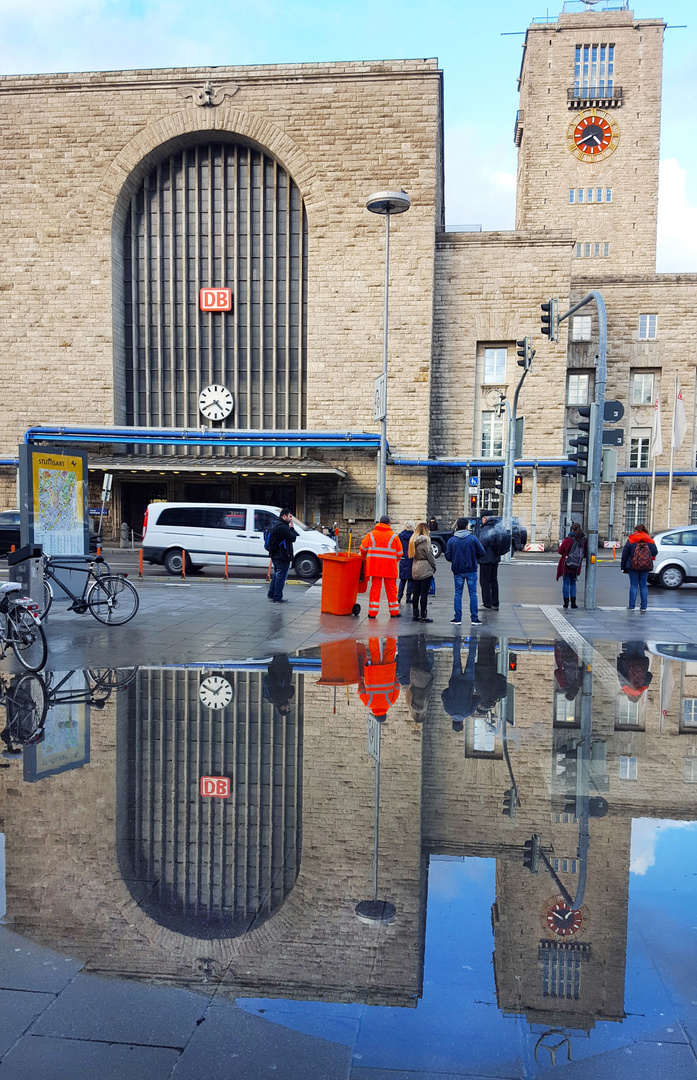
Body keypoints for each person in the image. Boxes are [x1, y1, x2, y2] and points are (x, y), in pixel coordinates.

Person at [360, 515, 402, 619]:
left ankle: (372, 613)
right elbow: (400, 553)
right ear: (388, 524)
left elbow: (363, 548)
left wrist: (367, 557)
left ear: (379, 522)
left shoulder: (371, 535)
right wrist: (392, 560)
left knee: (375, 589)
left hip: (375, 567)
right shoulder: (394, 536)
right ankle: (394, 612)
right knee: (392, 589)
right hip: (390, 568)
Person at [445, 517, 485, 625]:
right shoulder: (473, 539)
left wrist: (455, 560)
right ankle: (474, 618)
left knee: (458, 594)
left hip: (457, 570)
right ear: (467, 527)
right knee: (473, 594)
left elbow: (448, 556)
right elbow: (482, 552)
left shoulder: (452, 540)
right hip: (471, 568)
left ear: (457, 527)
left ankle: (457, 618)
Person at [357, 637, 400, 721]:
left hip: (387, 672)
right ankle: (373, 633)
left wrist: (392, 676)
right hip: (374, 673)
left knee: (390, 652)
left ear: (385, 714)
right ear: (375, 714)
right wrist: (362, 681)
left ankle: (392, 632)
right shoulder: (369, 703)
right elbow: (361, 690)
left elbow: (397, 686)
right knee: (375, 653)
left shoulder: (390, 702)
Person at [621, 523, 657, 612]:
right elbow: (655, 552)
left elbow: (625, 554)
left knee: (633, 585)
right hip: (645, 566)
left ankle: (631, 606)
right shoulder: (650, 540)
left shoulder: (631, 539)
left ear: (636, 530)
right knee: (643, 585)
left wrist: (623, 566)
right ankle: (643, 607)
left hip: (633, 566)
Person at [266, 507, 298, 603]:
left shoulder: (274, 523)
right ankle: (277, 596)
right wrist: (291, 527)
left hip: (275, 553)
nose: (291, 519)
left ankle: (271, 594)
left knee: (277, 574)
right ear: (284, 516)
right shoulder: (283, 527)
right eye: (290, 516)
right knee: (281, 575)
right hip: (282, 555)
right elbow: (293, 538)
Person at [409, 522, 436, 622]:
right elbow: (430, 556)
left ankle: (415, 615)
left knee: (416, 593)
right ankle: (423, 616)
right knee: (424, 593)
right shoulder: (426, 541)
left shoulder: (412, 541)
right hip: (425, 567)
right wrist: (434, 567)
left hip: (415, 566)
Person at [556, 522, 586, 609]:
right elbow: (584, 553)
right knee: (573, 582)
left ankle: (566, 603)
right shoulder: (583, 540)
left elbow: (560, 551)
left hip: (567, 564)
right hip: (576, 565)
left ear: (572, 530)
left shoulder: (568, 539)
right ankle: (573, 603)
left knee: (566, 582)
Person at [479, 515, 503, 610]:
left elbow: (482, 543)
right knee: (494, 581)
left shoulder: (486, 528)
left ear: (485, 518)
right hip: (495, 558)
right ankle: (495, 603)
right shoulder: (496, 527)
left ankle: (487, 604)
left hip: (486, 559)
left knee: (485, 582)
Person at [397, 520, 415, 605]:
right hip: (411, 558)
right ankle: (408, 597)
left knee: (402, 579)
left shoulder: (400, 536)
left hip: (403, 557)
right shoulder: (414, 536)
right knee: (411, 579)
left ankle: (399, 596)